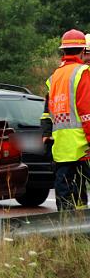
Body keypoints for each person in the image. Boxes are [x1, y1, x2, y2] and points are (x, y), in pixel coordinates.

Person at [41, 28, 90, 210]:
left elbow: (50, 109)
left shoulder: (55, 77)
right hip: (82, 144)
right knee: (78, 187)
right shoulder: (82, 72)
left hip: (61, 145)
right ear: (83, 51)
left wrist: (46, 132)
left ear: (63, 51)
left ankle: (67, 229)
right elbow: (87, 113)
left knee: (66, 189)